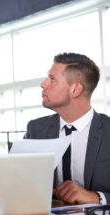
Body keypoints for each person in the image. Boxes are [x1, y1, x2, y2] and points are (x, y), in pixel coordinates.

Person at [24, 52, 110, 205]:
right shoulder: (36, 129)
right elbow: (20, 181)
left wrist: (96, 197)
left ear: (75, 90)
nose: (43, 84)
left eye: (52, 79)